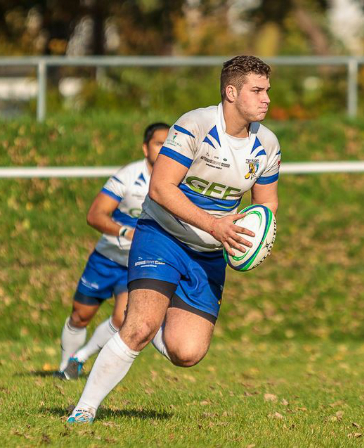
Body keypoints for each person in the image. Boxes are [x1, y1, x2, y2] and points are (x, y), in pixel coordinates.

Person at [67, 55, 281, 423]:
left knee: (187, 353)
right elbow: (161, 188)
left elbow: (267, 204)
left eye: (267, 91)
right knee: (137, 327)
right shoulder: (196, 125)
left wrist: (254, 240)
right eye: (257, 90)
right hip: (162, 235)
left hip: (209, 254)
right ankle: (84, 410)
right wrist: (215, 224)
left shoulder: (268, 145)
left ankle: (153, 323)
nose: (266, 99)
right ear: (231, 92)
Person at [56, 122, 170, 380]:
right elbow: (95, 214)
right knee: (80, 315)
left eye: (169, 144)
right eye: (158, 143)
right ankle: (63, 365)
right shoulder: (129, 176)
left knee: (123, 318)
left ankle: (78, 360)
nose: (164, 149)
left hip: (138, 263)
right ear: (145, 148)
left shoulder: (178, 180)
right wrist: (125, 232)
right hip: (106, 258)